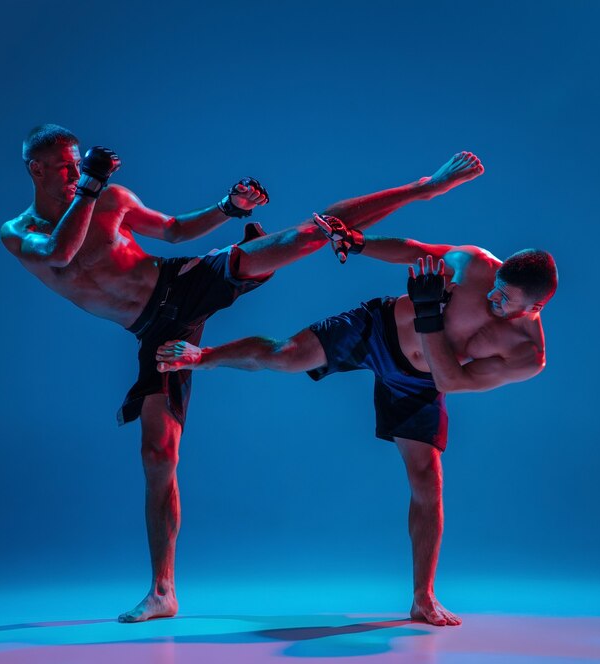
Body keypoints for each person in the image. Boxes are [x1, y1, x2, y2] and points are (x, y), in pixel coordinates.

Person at [0, 123, 486, 622]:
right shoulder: (21, 232)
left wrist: (228, 207)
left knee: (310, 235)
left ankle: (426, 186)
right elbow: (60, 253)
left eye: (79, 163)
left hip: (181, 284)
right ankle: (163, 591)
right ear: (35, 169)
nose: (76, 173)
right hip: (152, 330)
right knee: (157, 454)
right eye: (65, 166)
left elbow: (171, 230)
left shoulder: (109, 197)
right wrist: (90, 187)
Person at [156, 236, 558, 626]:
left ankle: (423, 597)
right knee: (284, 355)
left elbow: (450, 381)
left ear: (536, 306)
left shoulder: (526, 355)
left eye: (505, 299)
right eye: (497, 288)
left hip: (420, 382)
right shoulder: (477, 265)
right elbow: (416, 251)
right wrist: (360, 243)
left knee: (427, 481)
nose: (493, 298)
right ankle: (204, 356)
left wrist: (428, 314)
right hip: (378, 328)